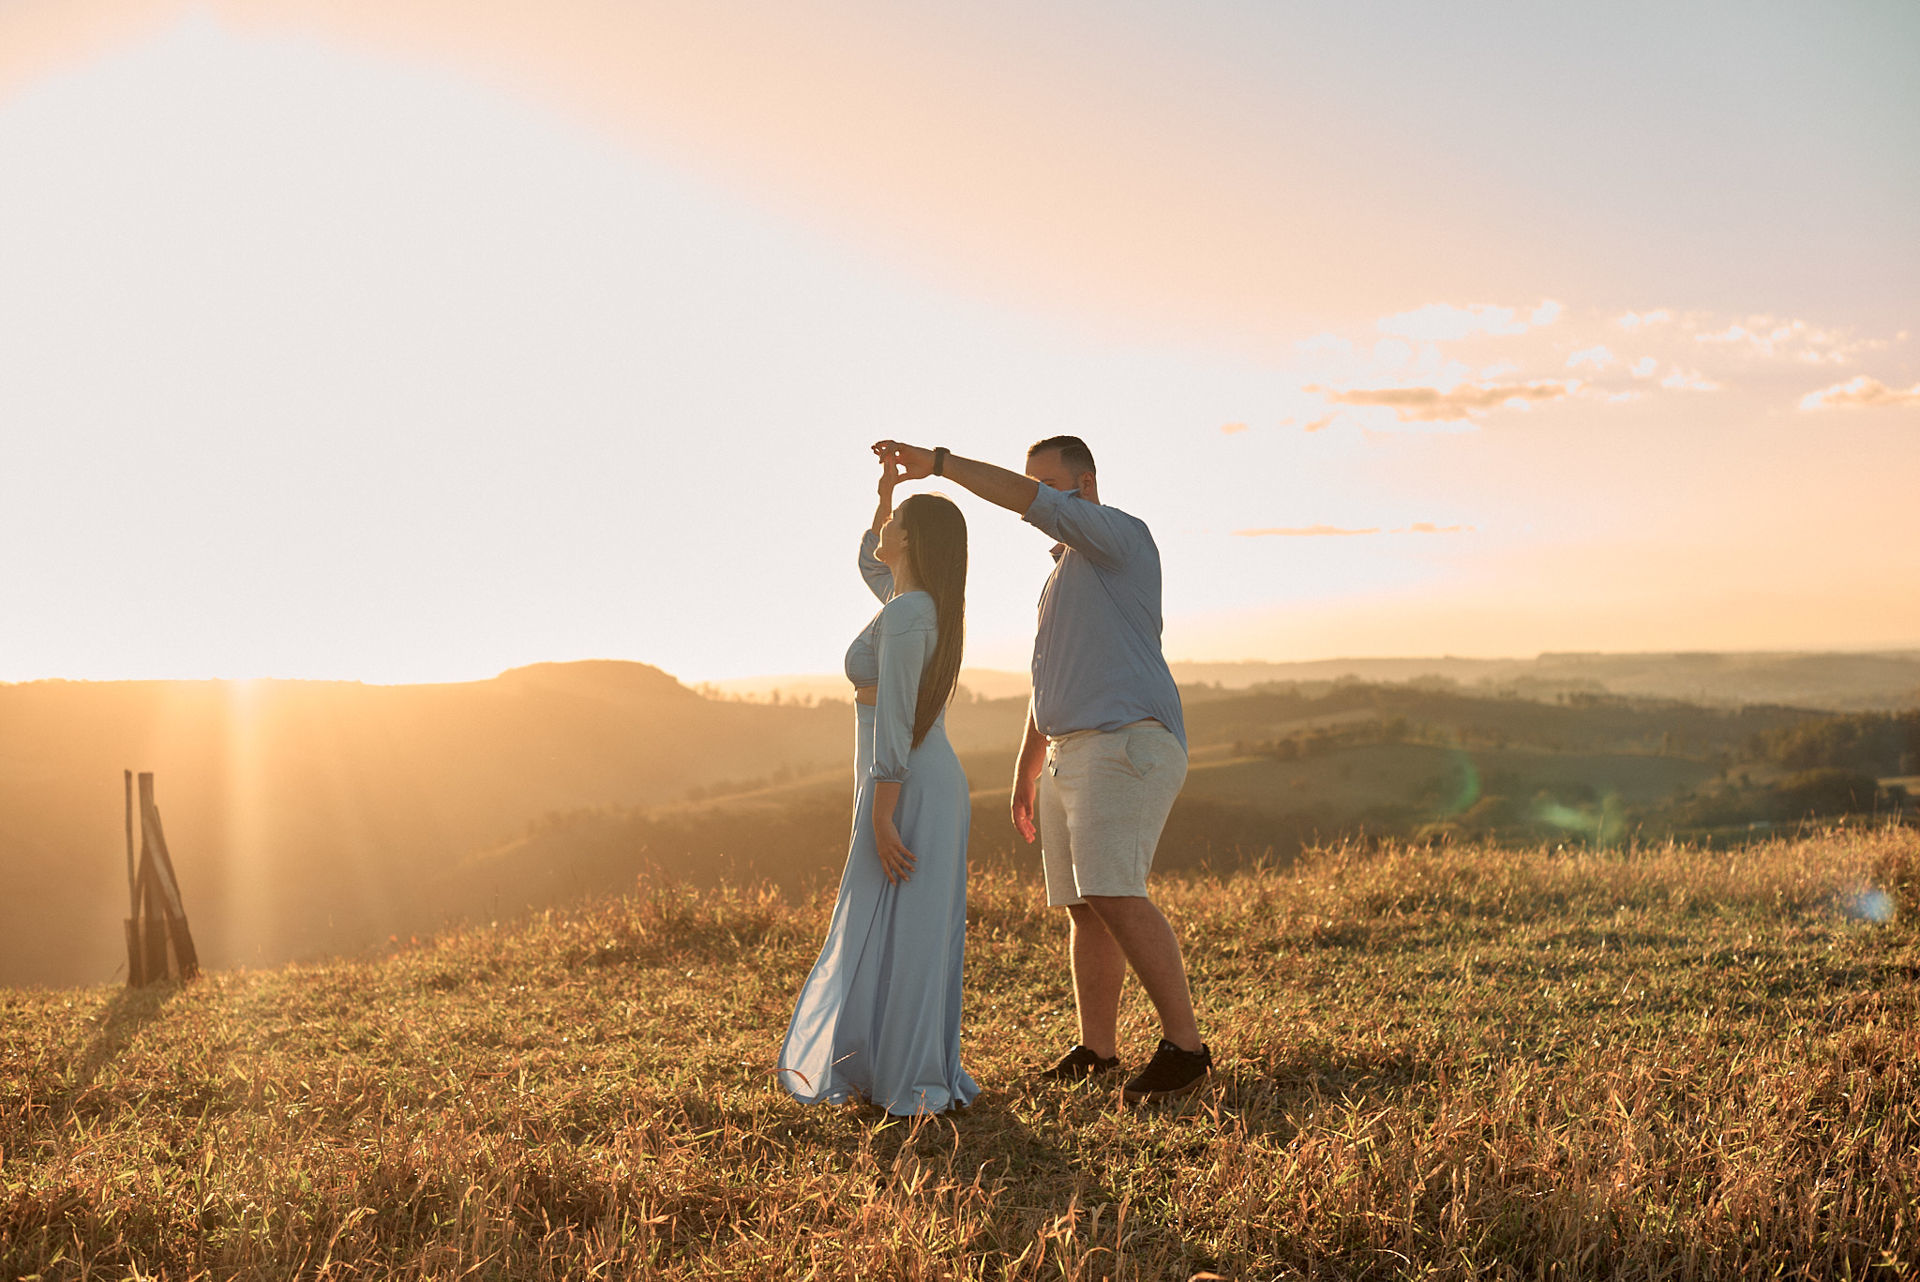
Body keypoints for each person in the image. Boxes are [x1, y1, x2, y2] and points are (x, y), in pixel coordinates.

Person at [871, 435, 1209, 1102]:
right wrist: (1028, 768)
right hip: (1070, 751)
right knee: (1085, 907)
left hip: (1126, 742)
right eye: (1041, 486)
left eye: (1055, 486)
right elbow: (1046, 679)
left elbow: (1028, 503)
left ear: (1086, 483)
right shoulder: (1062, 575)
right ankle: (1098, 1049)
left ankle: (1187, 1052)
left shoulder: (1119, 538)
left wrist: (939, 465)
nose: (1046, 498)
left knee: (1114, 891)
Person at [777, 458, 978, 1117]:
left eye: (894, 522)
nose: (883, 528)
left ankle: (910, 1073)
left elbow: (895, 721)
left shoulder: (908, 615)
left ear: (914, 543)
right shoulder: (913, 603)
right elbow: (873, 564)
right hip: (913, 780)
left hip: (908, 784)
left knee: (910, 928)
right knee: (896, 924)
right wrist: (885, 495)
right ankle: (887, 1061)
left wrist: (882, 814)